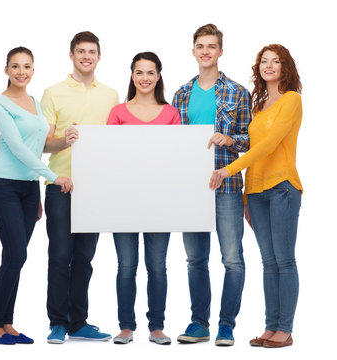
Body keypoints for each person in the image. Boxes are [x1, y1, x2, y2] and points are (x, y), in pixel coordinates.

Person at [210, 44, 302, 348]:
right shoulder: (259, 105)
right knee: (268, 261)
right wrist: (248, 197)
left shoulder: (291, 101)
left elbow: (267, 147)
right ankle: (270, 327)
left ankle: (284, 330)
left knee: (284, 260)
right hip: (258, 191)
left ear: (285, 67)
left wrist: (227, 170)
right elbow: (253, 149)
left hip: (282, 188)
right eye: (264, 61)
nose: (269, 65)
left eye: (276, 61)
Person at [0, 47, 73, 345]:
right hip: (3, 185)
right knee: (16, 254)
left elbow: (38, 147)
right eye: (15, 66)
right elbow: (18, 149)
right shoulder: (1, 103)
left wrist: (35, 188)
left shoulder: (35, 102)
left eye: (27, 66)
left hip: (27, 188)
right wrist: (52, 177)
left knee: (15, 257)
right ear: (6, 70)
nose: (21, 71)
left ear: (33, 70)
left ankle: (6, 323)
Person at [172, 24, 251, 346]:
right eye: (200, 46)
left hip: (228, 186)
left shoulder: (237, 92)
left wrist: (230, 138)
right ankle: (198, 324)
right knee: (195, 260)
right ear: (193, 52)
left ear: (220, 51)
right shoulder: (180, 95)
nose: (206, 51)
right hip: (192, 189)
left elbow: (250, 142)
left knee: (232, 259)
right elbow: (172, 145)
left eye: (212, 46)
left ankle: (227, 325)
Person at [41, 31, 119, 344]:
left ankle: (79, 322)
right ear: (71, 56)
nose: (86, 56)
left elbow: (115, 144)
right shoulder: (53, 92)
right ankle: (57, 323)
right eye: (80, 51)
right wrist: (64, 140)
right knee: (60, 256)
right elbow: (44, 144)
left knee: (84, 259)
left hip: (95, 190)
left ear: (99, 57)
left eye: (92, 52)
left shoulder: (111, 95)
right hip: (60, 185)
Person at [107, 52, 181, 345]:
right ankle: (126, 326)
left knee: (157, 267)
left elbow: (177, 158)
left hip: (159, 201)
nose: (145, 78)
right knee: (126, 266)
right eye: (139, 72)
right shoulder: (118, 112)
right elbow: (108, 157)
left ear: (159, 75)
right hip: (123, 200)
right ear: (132, 75)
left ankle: (157, 326)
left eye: (150, 72)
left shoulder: (171, 113)